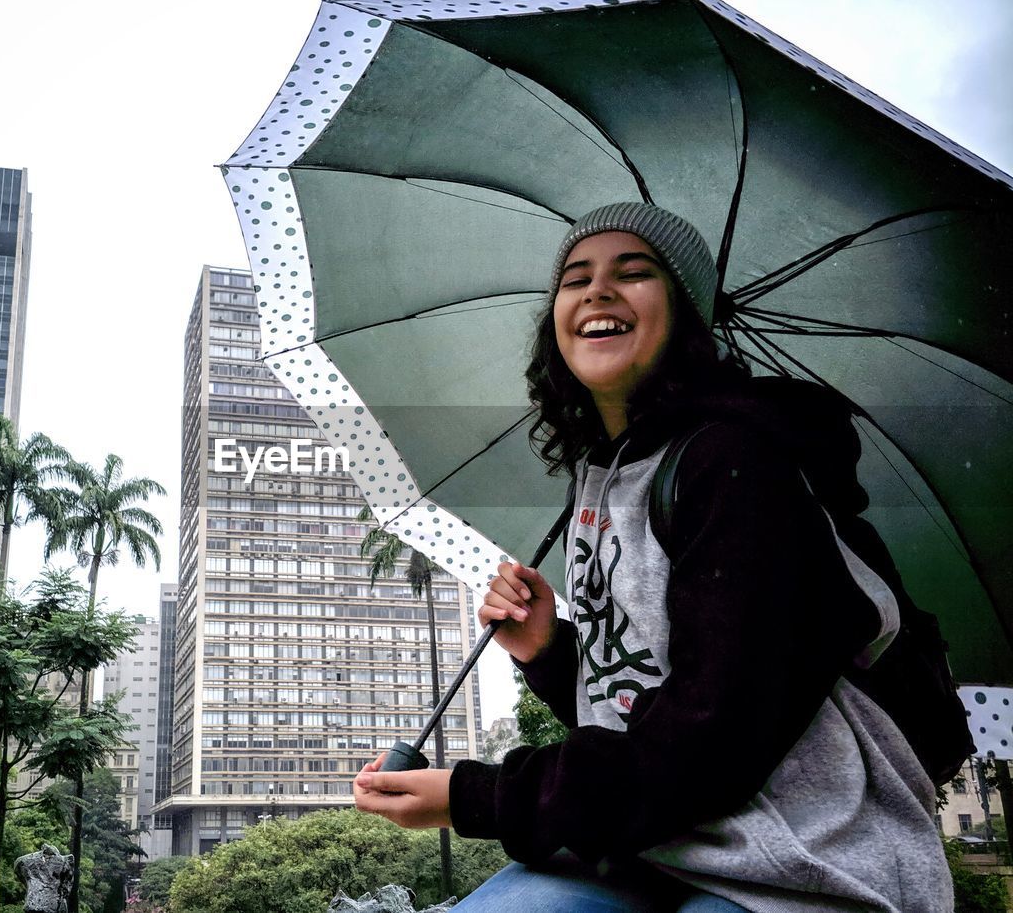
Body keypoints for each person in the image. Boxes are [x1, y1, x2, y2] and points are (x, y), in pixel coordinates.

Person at [352, 203, 952, 912]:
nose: (597, 292)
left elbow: (713, 734)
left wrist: (480, 797)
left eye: (633, 274)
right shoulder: (600, 483)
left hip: (801, 861)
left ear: (687, 315)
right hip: (651, 846)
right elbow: (639, 710)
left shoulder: (737, 461)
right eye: (576, 279)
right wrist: (550, 651)